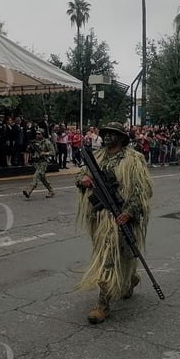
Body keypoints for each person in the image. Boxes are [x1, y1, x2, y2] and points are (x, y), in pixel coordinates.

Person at [75, 122, 153, 324]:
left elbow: (141, 189)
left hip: (120, 215)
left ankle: (103, 305)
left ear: (122, 138)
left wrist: (128, 212)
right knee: (118, 251)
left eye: (113, 134)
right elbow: (80, 174)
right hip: (99, 216)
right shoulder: (97, 156)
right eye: (105, 133)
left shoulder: (134, 159)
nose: (107, 137)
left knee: (109, 257)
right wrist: (83, 178)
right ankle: (130, 278)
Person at [23, 129, 56, 199]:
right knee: (42, 178)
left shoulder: (47, 142)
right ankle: (51, 190)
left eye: (39, 134)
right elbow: (29, 151)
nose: (37, 135)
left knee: (36, 176)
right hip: (36, 162)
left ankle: (29, 191)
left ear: (42, 134)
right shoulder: (34, 143)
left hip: (43, 162)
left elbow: (53, 152)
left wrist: (45, 153)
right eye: (36, 134)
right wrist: (29, 148)